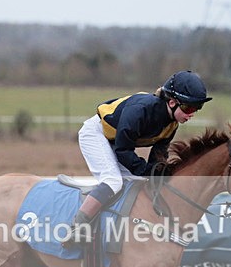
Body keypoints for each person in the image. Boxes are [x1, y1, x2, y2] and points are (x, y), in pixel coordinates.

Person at [61, 70, 212, 246]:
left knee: (135, 183)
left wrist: (157, 174)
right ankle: (77, 228)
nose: (192, 114)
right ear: (171, 102)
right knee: (113, 181)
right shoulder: (141, 110)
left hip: (115, 142)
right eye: (189, 108)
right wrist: (147, 171)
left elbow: (158, 155)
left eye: (197, 108)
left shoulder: (171, 124)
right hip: (96, 134)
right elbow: (123, 150)